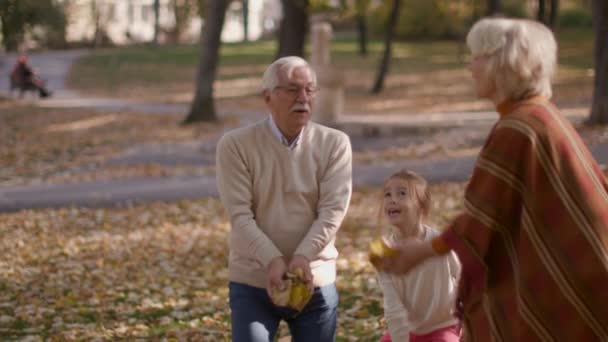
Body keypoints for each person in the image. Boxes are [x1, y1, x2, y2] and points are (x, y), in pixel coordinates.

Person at [374, 17, 608, 341]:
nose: (471, 67)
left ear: (505, 63)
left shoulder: (520, 126)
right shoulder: (539, 116)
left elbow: (482, 217)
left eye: (477, 57)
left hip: (570, 282)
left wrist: (421, 252)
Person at [216, 56, 353, 341]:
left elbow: (332, 211)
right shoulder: (236, 145)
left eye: (310, 90)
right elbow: (240, 214)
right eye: (292, 90)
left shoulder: (335, 144)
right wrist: (272, 260)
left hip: (313, 280)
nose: (303, 98)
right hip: (252, 280)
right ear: (268, 97)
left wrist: (303, 257)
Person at [373, 170, 461, 342]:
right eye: (387, 194)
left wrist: (467, 320)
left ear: (421, 206)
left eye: (402, 193)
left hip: (444, 327)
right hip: (409, 331)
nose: (392, 199)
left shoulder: (439, 243)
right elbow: (393, 307)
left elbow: (464, 277)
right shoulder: (383, 252)